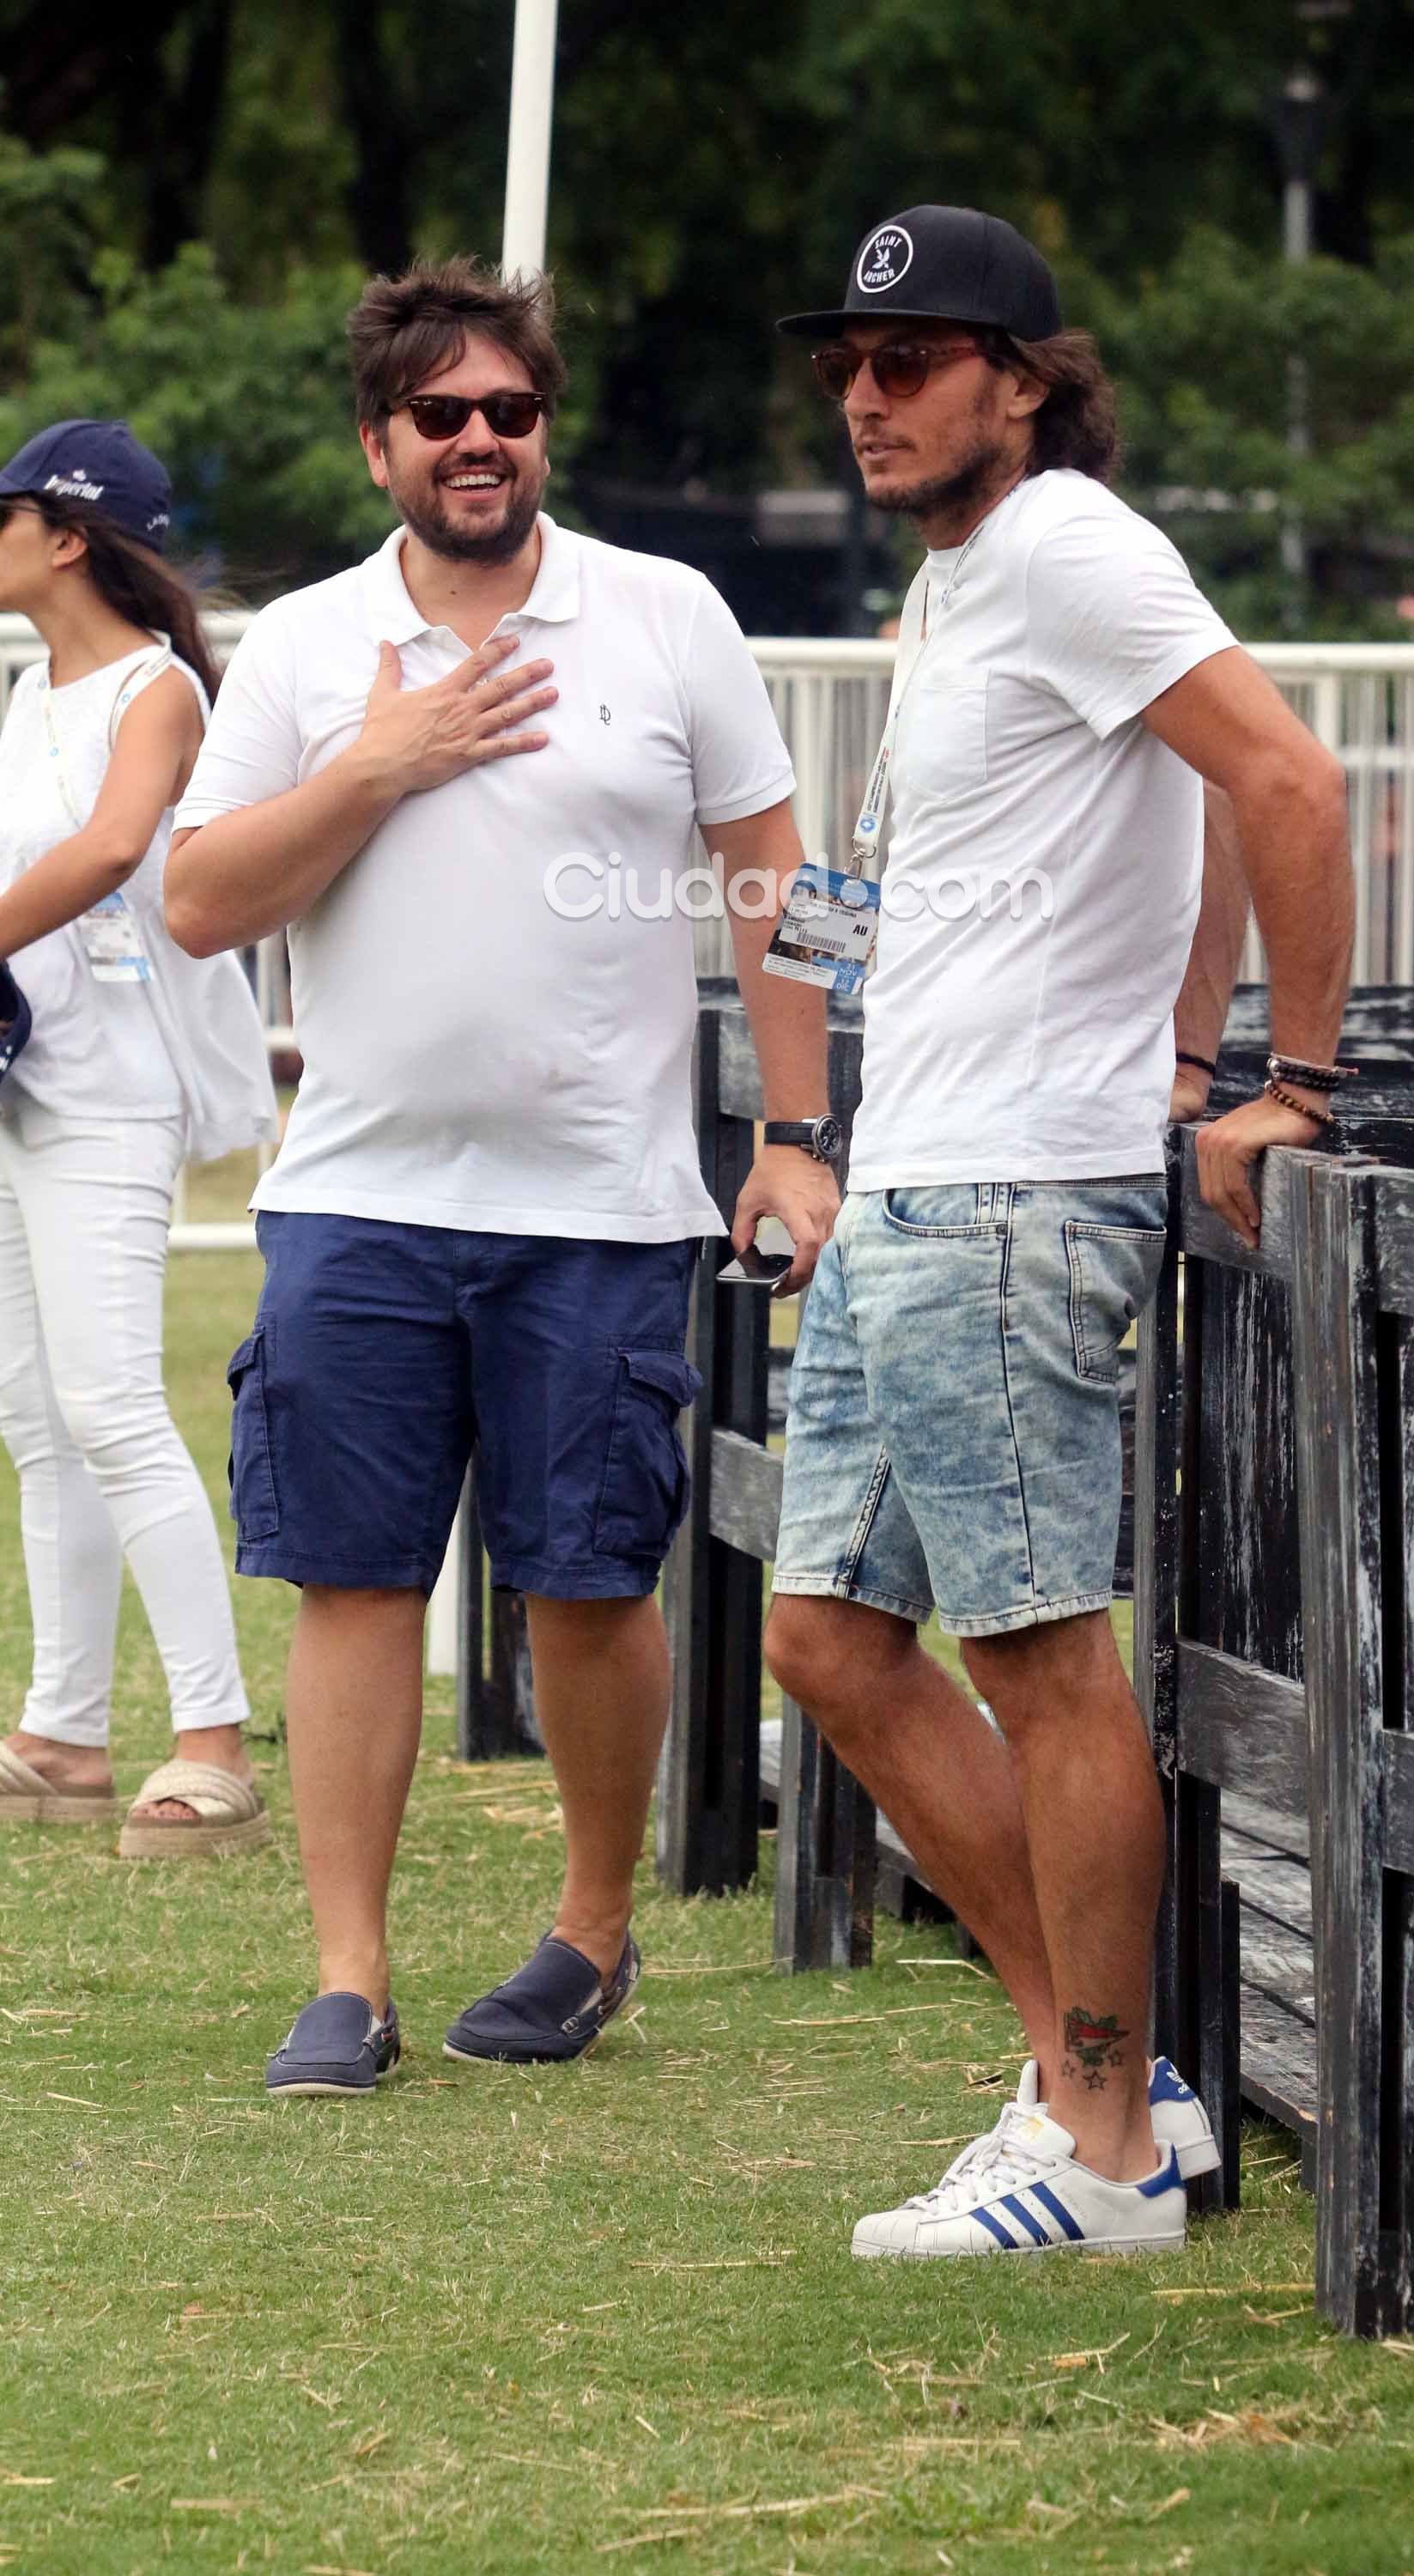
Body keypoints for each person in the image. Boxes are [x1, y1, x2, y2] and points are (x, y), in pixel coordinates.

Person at [165, 258, 839, 2099]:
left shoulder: (669, 617)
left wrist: (794, 1137)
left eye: (510, 412)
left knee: (588, 1583)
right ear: (380, 442)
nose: (480, 441)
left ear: (546, 426)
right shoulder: (304, 646)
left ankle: (590, 1934)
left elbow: (782, 892)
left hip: (605, 1201)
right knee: (353, 1577)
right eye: (442, 416)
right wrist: (381, 761)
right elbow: (204, 900)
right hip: (359, 1200)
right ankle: (348, 1981)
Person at [763, 208, 1353, 2257]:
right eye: (848, 362)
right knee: (824, 1638)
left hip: (1014, 1194)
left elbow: (1281, 775)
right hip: (918, 1179)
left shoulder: (1075, 546)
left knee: (1042, 1666)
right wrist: (1178, 1048)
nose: (866, 393)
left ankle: (1103, 2157)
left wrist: (1291, 1080)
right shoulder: (963, 589)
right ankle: (1107, 2085)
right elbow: (1174, 816)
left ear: (1019, 380)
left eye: (914, 358)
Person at [0, 420, 277, 1855]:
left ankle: (216, 1741)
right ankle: (62, 1735)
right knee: (36, 1412)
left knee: (109, 1404)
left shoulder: (157, 689)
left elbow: (111, 850)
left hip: (113, 1084)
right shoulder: (30, 687)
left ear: (68, 533)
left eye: (5, 511)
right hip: (20, 1076)